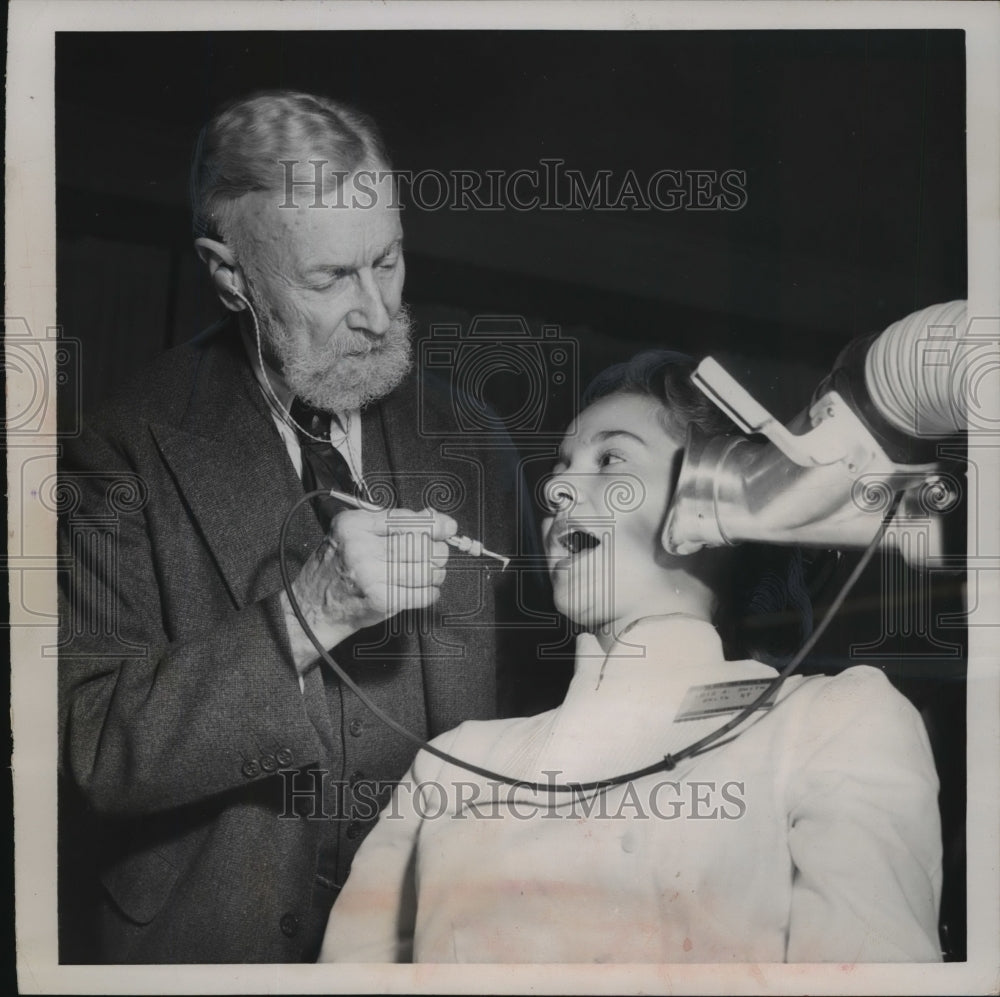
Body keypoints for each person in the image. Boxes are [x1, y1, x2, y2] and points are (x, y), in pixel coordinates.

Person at [57, 90, 530, 963]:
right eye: (328, 280)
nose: (379, 314)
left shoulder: (477, 446)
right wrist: (301, 619)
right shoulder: (119, 447)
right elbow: (91, 748)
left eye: (386, 261)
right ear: (230, 273)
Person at [318, 350, 943, 964]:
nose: (557, 486)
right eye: (561, 466)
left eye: (610, 458)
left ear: (722, 494)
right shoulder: (453, 766)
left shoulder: (831, 722)